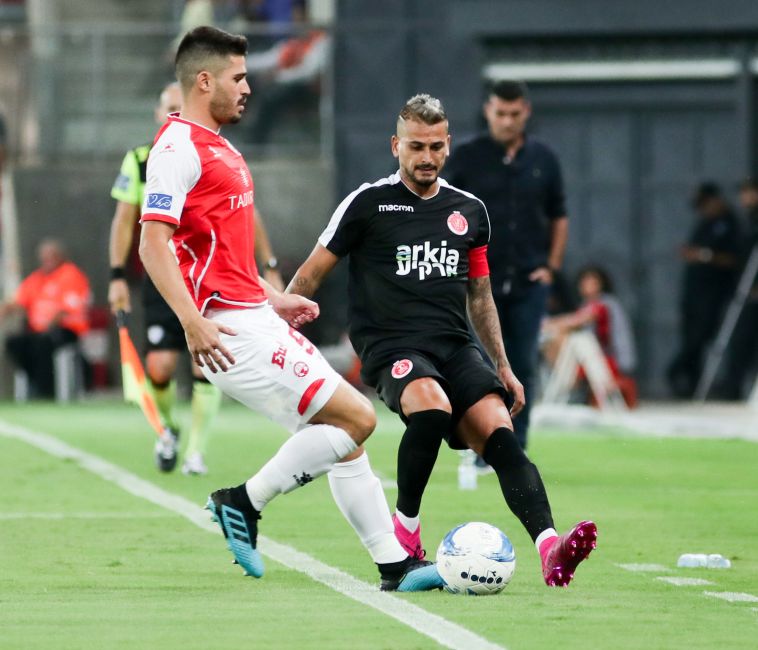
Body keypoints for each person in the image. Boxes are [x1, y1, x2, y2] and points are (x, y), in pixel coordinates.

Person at [138, 25, 441, 592]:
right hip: (229, 329)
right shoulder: (177, 148)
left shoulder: (219, 145)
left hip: (252, 314)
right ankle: (242, 502)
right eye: (237, 77)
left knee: (344, 439)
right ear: (203, 82)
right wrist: (192, 321)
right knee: (358, 419)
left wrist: (272, 297)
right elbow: (153, 244)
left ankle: (394, 566)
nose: (248, 87)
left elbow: (216, 253)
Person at [288, 93, 597, 587]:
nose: (427, 157)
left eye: (435, 146)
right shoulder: (367, 203)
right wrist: (281, 337)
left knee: (500, 431)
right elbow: (309, 275)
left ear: (448, 144)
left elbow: (480, 295)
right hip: (391, 345)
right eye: (416, 146)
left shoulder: (469, 211)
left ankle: (550, 547)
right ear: (396, 146)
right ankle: (405, 534)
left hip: (453, 344)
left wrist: (503, 365)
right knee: (431, 408)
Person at [109, 81, 284, 476]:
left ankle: (195, 452)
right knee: (160, 367)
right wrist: (116, 275)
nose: (175, 114)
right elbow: (123, 221)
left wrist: (267, 263)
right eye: (168, 107)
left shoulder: (214, 155)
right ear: (158, 114)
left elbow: (247, 211)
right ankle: (168, 428)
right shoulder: (141, 160)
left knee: (206, 364)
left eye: (180, 106)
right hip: (165, 279)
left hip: (208, 278)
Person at [444, 79, 569, 452]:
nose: (507, 121)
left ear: (525, 112)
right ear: (488, 111)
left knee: (524, 362)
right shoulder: (466, 156)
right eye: (500, 113)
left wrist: (552, 267)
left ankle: (518, 444)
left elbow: (559, 214)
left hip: (529, 279)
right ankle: (487, 443)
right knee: (482, 363)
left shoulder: (544, 158)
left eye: (514, 114)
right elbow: (442, 206)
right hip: (480, 279)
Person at [667, 181, 741, 398]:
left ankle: (675, 371)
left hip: (713, 293)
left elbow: (733, 258)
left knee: (701, 336)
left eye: (705, 204)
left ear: (716, 200)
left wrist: (702, 255)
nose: (702, 210)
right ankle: (691, 384)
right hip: (693, 292)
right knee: (691, 337)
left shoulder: (730, 224)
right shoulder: (704, 223)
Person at [1, 239, 91, 398]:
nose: (48, 260)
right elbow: (18, 301)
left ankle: (46, 391)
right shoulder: (37, 278)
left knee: (43, 343)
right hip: (39, 332)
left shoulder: (71, 274)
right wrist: (4, 310)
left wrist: (49, 325)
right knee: (14, 343)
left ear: (61, 256)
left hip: (65, 330)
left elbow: (67, 308)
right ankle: (37, 381)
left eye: (52, 256)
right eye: (44, 256)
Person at [542, 265, 637, 407]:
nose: (587, 287)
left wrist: (549, 324)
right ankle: (565, 385)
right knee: (567, 341)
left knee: (578, 341)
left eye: (592, 283)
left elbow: (578, 320)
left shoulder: (605, 304)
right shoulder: (585, 305)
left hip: (608, 359)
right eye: (585, 283)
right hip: (591, 357)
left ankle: (569, 384)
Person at [244, 0, 328, 145]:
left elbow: (307, 72)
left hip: (307, 89)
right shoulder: (294, 41)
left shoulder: (320, 40)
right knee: (249, 81)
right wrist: (238, 64)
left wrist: (277, 77)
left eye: (298, 17)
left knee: (270, 96)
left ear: (307, 17)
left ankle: (256, 143)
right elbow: (269, 59)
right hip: (287, 83)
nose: (294, 20)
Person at [720, 178, 758, 400]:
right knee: (741, 341)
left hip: (752, 290)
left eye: (748, 193)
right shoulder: (745, 222)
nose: (744, 199)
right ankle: (734, 388)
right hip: (744, 290)